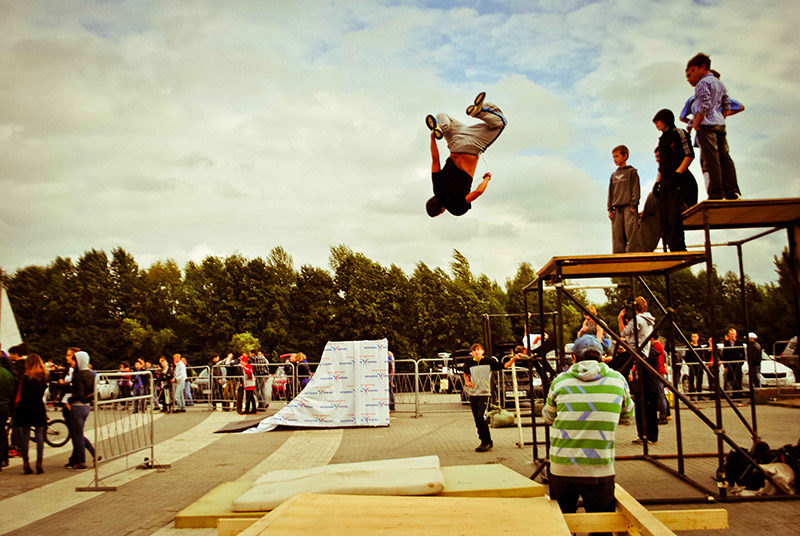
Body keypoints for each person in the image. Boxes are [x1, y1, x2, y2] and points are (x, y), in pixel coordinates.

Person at [543, 335, 634, 536]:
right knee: (601, 527)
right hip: (599, 469)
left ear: (574, 359)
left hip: (562, 468)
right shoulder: (618, 380)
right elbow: (628, 417)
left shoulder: (560, 381)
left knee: (562, 526)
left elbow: (548, 417)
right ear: (602, 358)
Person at [425, 92, 506, 217]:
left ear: (441, 210)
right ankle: (442, 128)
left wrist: (487, 179)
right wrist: (432, 138)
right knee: (441, 115)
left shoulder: (456, 208)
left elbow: (478, 192)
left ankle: (479, 112)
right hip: (455, 143)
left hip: (472, 147)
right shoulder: (436, 188)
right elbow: (435, 159)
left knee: (500, 123)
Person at [685, 53, 740, 200]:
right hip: (720, 124)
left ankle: (716, 192)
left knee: (712, 159)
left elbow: (703, 105)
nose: (690, 78)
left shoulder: (702, 84)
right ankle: (731, 190)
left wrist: (695, 124)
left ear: (702, 67)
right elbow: (727, 104)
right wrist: (721, 117)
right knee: (724, 156)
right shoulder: (719, 83)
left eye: (692, 72)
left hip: (706, 126)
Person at [462, 342, 523, 452]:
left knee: (481, 417)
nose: (476, 352)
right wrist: (467, 382)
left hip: (484, 394)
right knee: (477, 419)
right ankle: (483, 440)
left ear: (482, 351)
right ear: (472, 353)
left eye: (478, 350)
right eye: (474, 350)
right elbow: (465, 373)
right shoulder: (470, 363)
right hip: (473, 394)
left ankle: (487, 441)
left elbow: (504, 365)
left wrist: (513, 359)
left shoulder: (489, 362)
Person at [652, 108, 697, 251]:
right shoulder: (662, 140)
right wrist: (657, 182)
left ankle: (679, 248)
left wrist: (678, 174)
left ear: (666, 120)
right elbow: (662, 165)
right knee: (663, 217)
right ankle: (670, 249)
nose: (656, 125)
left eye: (658, 121)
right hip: (665, 181)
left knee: (673, 214)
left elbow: (689, 155)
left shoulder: (679, 133)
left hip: (680, 179)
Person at [14, 353, 48, 474]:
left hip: (25, 408)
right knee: (40, 436)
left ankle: (26, 463)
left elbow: (22, 395)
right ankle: (39, 462)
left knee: (25, 436)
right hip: (38, 407)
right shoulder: (43, 377)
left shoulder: (26, 377)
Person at [607, 145, 640, 253]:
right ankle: (618, 259)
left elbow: (635, 189)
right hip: (616, 209)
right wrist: (609, 209)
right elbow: (610, 192)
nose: (615, 159)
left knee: (631, 234)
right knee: (617, 236)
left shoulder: (632, 172)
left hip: (629, 207)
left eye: (617, 156)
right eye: (613, 157)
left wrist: (633, 205)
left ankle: (633, 256)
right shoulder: (614, 175)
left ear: (625, 156)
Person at [611, 296, 656, 376]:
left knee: (614, 366)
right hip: (644, 351)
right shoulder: (648, 320)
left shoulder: (637, 319)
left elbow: (623, 333)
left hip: (635, 351)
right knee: (622, 365)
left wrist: (620, 319)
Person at [66, 351, 96, 470]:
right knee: (79, 433)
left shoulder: (79, 376)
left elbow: (79, 393)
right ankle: (92, 454)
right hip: (86, 407)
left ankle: (81, 461)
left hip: (77, 406)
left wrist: (69, 399)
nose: (72, 362)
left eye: (74, 360)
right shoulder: (91, 374)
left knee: (77, 436)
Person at [629, 339, 661, 445]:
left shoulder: (650, 353)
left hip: (649, 387)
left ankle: (651, 437)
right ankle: (642, 435)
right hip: (642, 386)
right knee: (640, 412)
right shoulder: (644, 353)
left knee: (650, 413)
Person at [0, 359, 14, 471]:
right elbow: (11, 392)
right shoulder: (7, 373)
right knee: (2, 433)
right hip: (4, 406)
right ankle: (4, 458)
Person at [722, 328, 745, 396]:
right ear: (729, 335)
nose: (732, 336)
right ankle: (732, 393)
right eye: (731, 334)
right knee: (730, 378)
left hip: (737, 363)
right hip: (729, 363)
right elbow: (724, 355)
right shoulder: (726, 343)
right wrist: (725, 366)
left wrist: (741, 362)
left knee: (738, 378)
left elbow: (743, 353)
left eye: (733, 334)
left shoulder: (739, 343)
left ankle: (738, 393)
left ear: (736, 335)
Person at [685, 333, 705, 399]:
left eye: (695, 337)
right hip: (692, 365)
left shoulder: (699, 346)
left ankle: (699, 395)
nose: (694, 338)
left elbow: (702, 355)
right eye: (693, 337)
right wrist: (689, 364)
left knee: (699, 380)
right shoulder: (689, 346)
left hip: (699, 365)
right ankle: (691, 395)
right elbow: (686, 357)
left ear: (698, 337)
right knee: (691, 380)